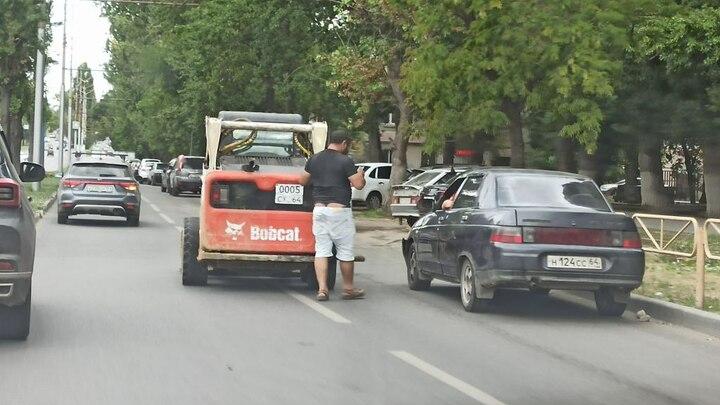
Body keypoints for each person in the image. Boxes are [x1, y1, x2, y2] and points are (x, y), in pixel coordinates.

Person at [300, 130, 366, 301]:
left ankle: (322, 289)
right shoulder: (345, 161)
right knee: (345, 251)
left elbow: (302, 180)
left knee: (321, 250)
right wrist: (361, 175)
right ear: (344, 143)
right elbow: (358, 185)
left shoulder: (314, 159)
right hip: (339, 211)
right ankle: (348, 289)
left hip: (319, 209)